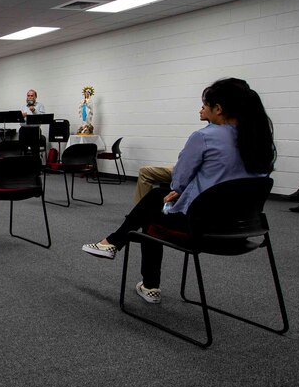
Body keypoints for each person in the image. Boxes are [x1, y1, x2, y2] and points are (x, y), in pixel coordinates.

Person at [82, 78, 276, 304]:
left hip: (203, 229)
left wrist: (180, 190)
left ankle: (138, 271)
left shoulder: (204, 136)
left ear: (218, 109)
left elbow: (179, 179)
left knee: (153, 211)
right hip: (243, 230)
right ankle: (116, 246)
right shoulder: (259, 140)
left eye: (207, 105)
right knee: (157, 199)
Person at [131, 103, 211, 203]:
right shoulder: (230, 133)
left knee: (145, 172)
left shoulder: (201, 135)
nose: (200, 111)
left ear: (217, 109)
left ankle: (140, 211)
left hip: (191, 173)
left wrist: (178, 188)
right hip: (198, 173)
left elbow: (186, 167)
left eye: (203, 108)